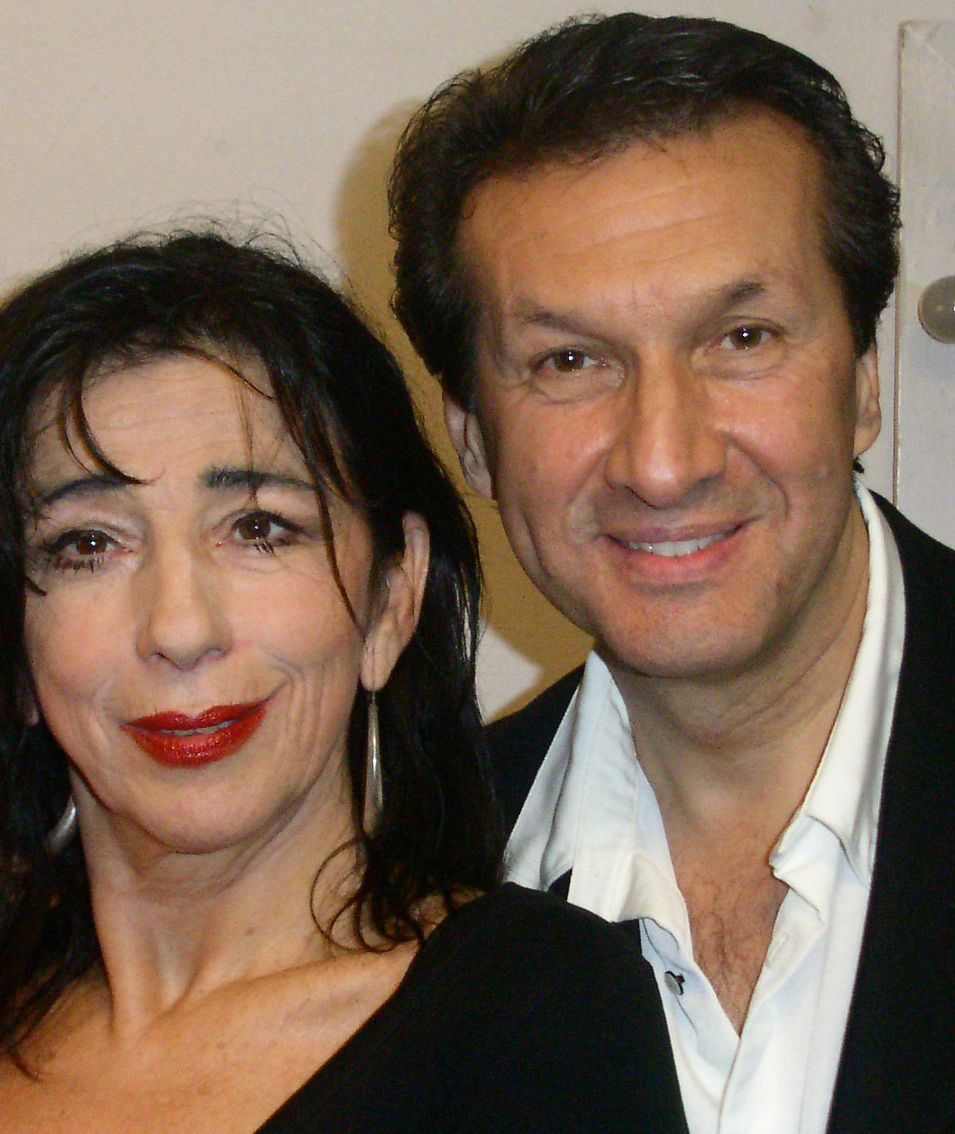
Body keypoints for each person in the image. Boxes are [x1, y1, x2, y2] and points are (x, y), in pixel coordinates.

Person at [0, 228, 687, 1132]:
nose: (180, 629)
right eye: (88, 545)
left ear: (391, 601)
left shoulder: (540, 1018)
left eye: (260, 529)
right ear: (3, 644)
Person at [389, 12, 955, 1134]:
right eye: (569, 360)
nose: (662, 462)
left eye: (742, 340)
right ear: (473, 441)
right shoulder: (406, 882)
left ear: (864, 380)